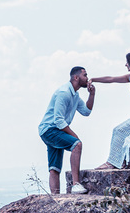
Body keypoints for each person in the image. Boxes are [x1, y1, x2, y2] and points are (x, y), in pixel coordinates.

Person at [38, 66, 95, 194]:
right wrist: (75, 137)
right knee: (77, 144)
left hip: (55, 130)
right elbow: (58, 120)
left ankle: (55, 197)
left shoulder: (75, 95)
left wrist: (92, 94)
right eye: (85, 75)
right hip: (50, 129)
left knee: (54, 168)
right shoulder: (64, 93)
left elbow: (86, 111)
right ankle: (76, 184)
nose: (87, 78)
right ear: (76, 77)